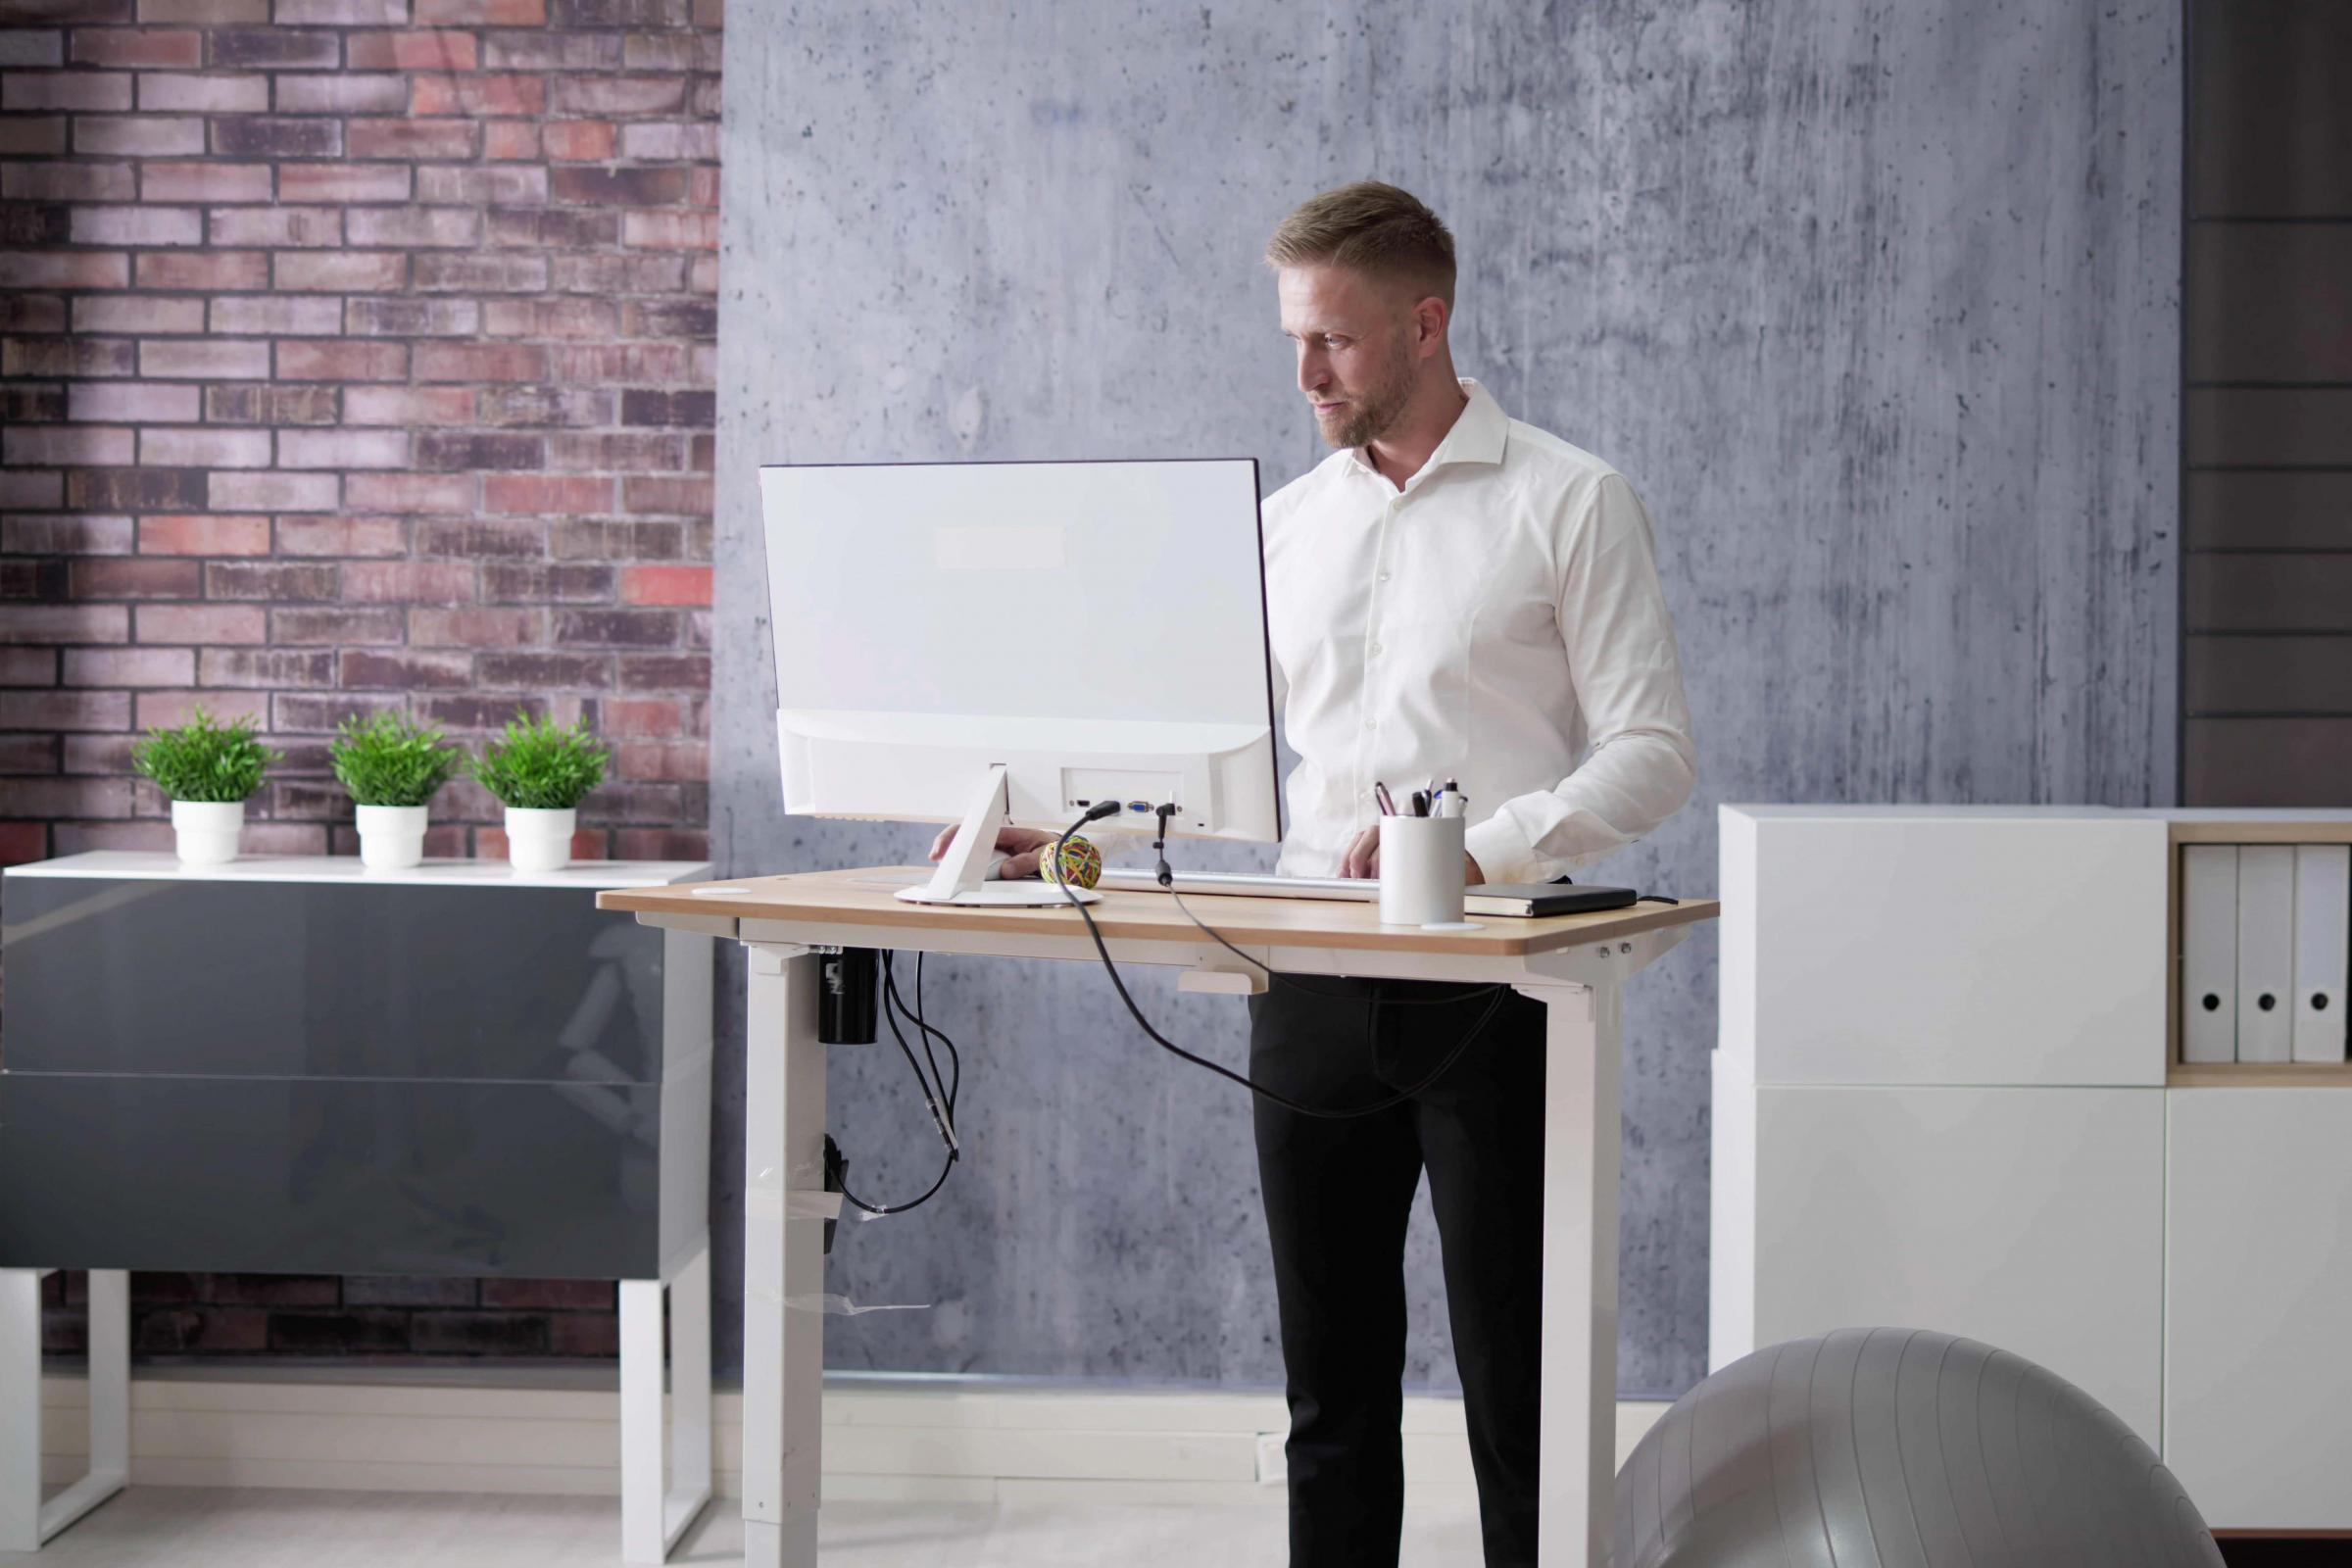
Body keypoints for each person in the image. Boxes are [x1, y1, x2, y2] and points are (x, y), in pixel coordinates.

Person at [934, 180, 1696, 1567]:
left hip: (1491, 990)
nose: (1304, 374)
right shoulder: (1286, 524)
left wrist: (1485, 846)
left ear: (1425, 322)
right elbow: (1210, 776)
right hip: (1304, 984)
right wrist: (1066, 839)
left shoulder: (1571, 501)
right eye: (1292, 339)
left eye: (1332, 342)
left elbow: (1653, 752)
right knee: (1327, 1397)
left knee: (1517, 1390)